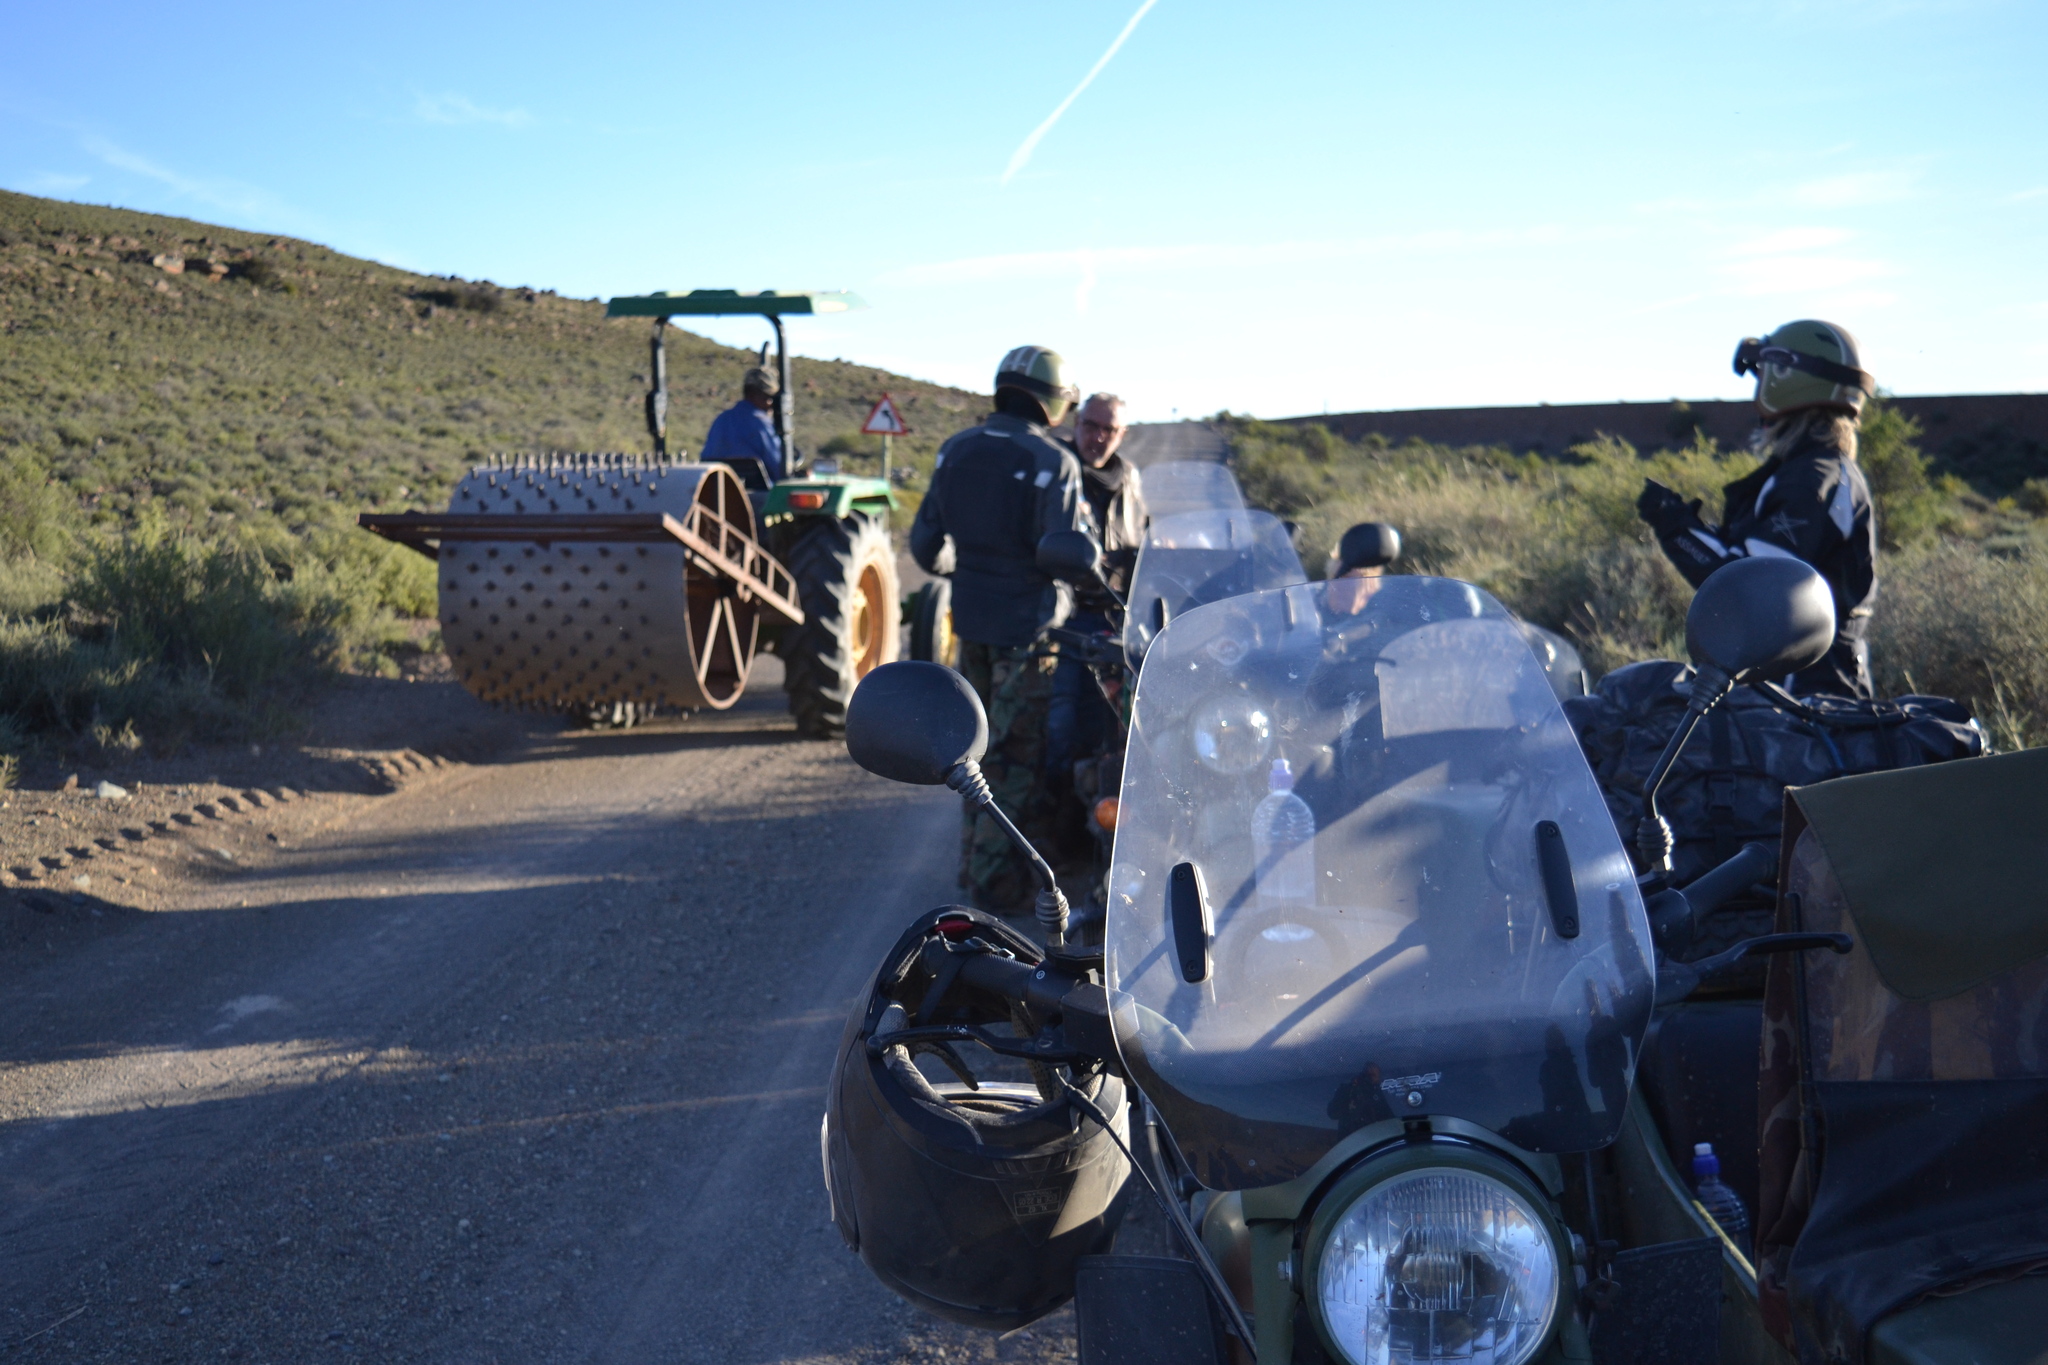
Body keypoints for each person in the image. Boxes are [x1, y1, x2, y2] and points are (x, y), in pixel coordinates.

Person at [910, 346, 1091, 911]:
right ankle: (994, 891)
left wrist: (966, 572)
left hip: (972, 623)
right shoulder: (1052, 461)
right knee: (1012, 762)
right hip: (1027, 634)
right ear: (1052, 400)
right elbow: (1065, 554)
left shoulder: (955, 450)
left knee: (969, 756)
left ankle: (973, 868)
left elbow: (924, 547)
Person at [1637, 320, 1878, 697]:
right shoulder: (1822, 470)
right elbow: (1757, 563)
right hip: (1815, 677)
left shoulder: (1810, 478)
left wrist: (1673, 524)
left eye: (1763, 375)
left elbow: (1747, 587)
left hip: (1804, 689)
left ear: (1788, 380)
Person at [1047, 394, 1146, 812]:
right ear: (1076, 423)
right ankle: (1056, 815)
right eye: (1091, 425)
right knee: (1060, 724)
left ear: (1122, 435)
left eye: (1109, 429)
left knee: (1136, 721)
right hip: (1068, 618)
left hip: (1122, 615)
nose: (1099, 437)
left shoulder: (1129, 480)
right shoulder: (1057, 473)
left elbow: (1143, 537)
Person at [699, 366, 785, 483]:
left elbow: (706, 457)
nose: (771, 404)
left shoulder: (721, 419)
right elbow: (778, 468)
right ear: (753, 394)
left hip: (717, 491)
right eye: (768, 398)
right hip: (759, 496)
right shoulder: (761, 424)